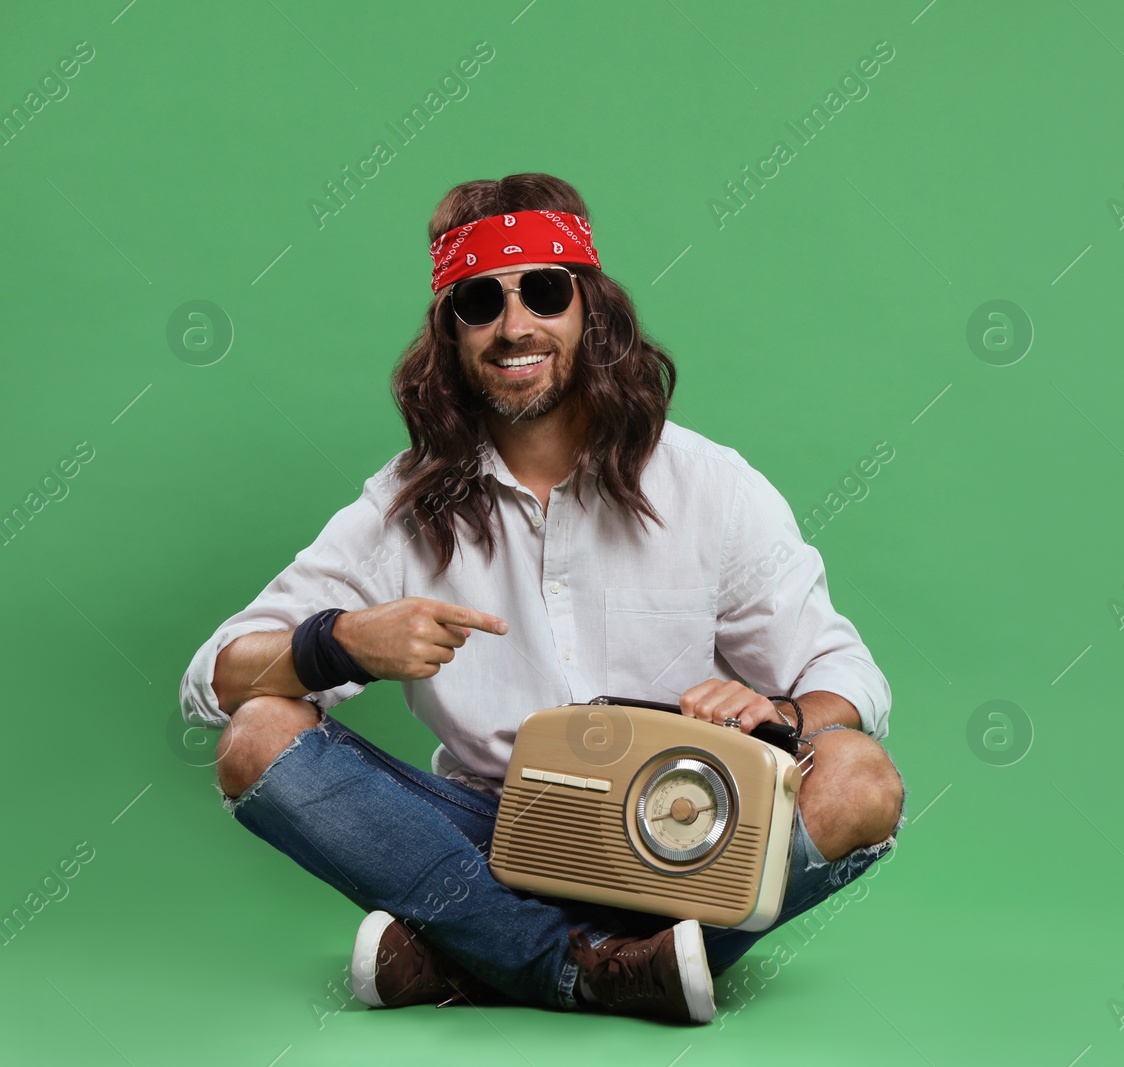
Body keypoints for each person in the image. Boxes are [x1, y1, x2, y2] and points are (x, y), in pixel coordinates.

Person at [177, 173, 906, 1026]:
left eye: (545, 291)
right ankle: (594, 969)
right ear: (449, 333)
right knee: (257, 734)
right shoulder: (401, 507)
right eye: (480, 300)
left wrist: (777, 709)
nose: (515, 325)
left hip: (677, 832)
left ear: (590, 310)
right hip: (488, 836)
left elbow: (850, 675)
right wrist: (339, 642)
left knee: (858, 780)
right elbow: (211, 680)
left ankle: (474, 954)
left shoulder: (711, 486)